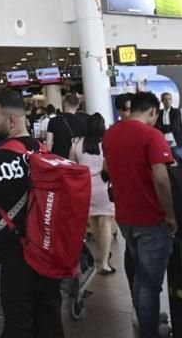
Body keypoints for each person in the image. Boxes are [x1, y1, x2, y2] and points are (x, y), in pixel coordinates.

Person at [0, 90, 63, 337]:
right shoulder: (48, 157)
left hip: (10, 262)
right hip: (47, 259)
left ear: (11, 121)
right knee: (49, 324)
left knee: (12, 326)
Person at [102, 91, 177, 338]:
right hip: (151, 218)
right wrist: (171, 215)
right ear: (153, 111)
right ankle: (149, 332)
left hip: (124, 217)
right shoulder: (152, 135)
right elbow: (162, 180)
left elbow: (108, 171)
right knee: (150, 284)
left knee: (140, 277)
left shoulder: (110, 134)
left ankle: (145, 321)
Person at [70, 113, 116, 275]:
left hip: (86, 188)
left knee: (95, 224)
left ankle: (101, 256)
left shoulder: (77, 144)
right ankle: (103, 262)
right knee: (105, 224)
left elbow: (72, 168)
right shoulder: (107, 143)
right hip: (104, 186)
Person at [45, 93, 80, 159]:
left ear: (64, 104)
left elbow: (48, 144)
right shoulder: (81, 121)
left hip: (58, 158)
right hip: (76, 159)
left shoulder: (53, 121)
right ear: (78, 106)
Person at [156, 92, 182, 165]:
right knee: (167, 163)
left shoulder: (176, 112)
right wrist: (166, 127)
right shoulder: (159, 113)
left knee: (181, 162)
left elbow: (174, 126)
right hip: (164, 143)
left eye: (169, 99)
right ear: (162, 101)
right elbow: (157, 127)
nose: (168, 101)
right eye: (165, 99)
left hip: (176, 142)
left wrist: (163, 127)